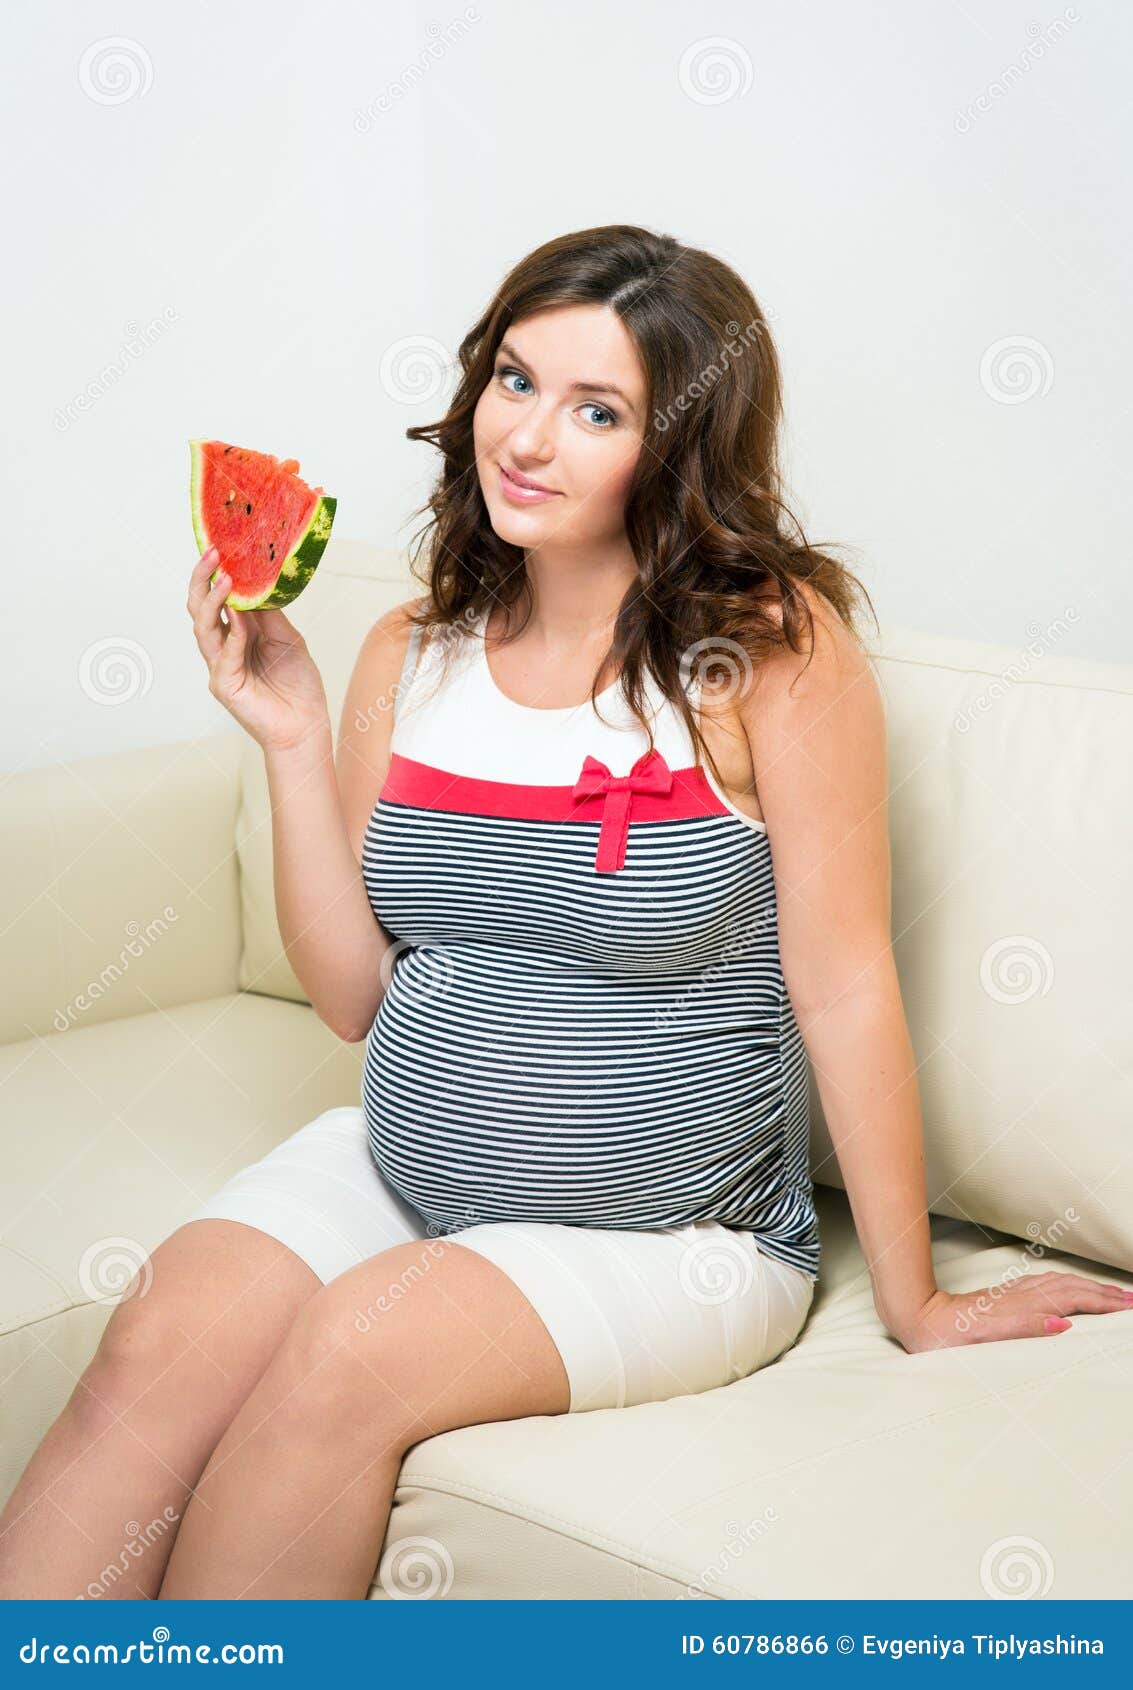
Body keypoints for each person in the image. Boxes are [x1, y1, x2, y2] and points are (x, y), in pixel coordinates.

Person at [4, 224, 1130, 1603]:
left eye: (595, 409)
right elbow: (357, 993)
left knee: (352, 1348)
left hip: (676, 1242)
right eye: (515, 381)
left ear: (675, 448)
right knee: (154, 1339)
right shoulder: (402, 651)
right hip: (404, 1173)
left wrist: (915, 1297)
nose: (527, 436)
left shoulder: (766, 656)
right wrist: (291, 747)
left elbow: (841, 985)